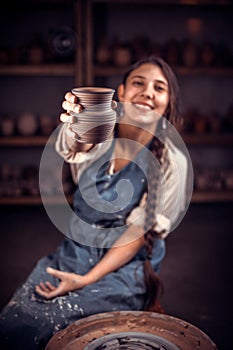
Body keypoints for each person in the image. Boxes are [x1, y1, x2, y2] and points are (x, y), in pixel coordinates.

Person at [0, 56, 190, 349]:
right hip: (76, 250)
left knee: (65, 324)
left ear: (168, 103)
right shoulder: (99, 133)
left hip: (126, 261)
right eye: (138, 83)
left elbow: (137, 234)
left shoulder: (171, 160)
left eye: (159, 88)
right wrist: (80, 122)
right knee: (18, 322)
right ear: (121, 93)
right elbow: (77, 143)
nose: (148, 92)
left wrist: (85, 280)